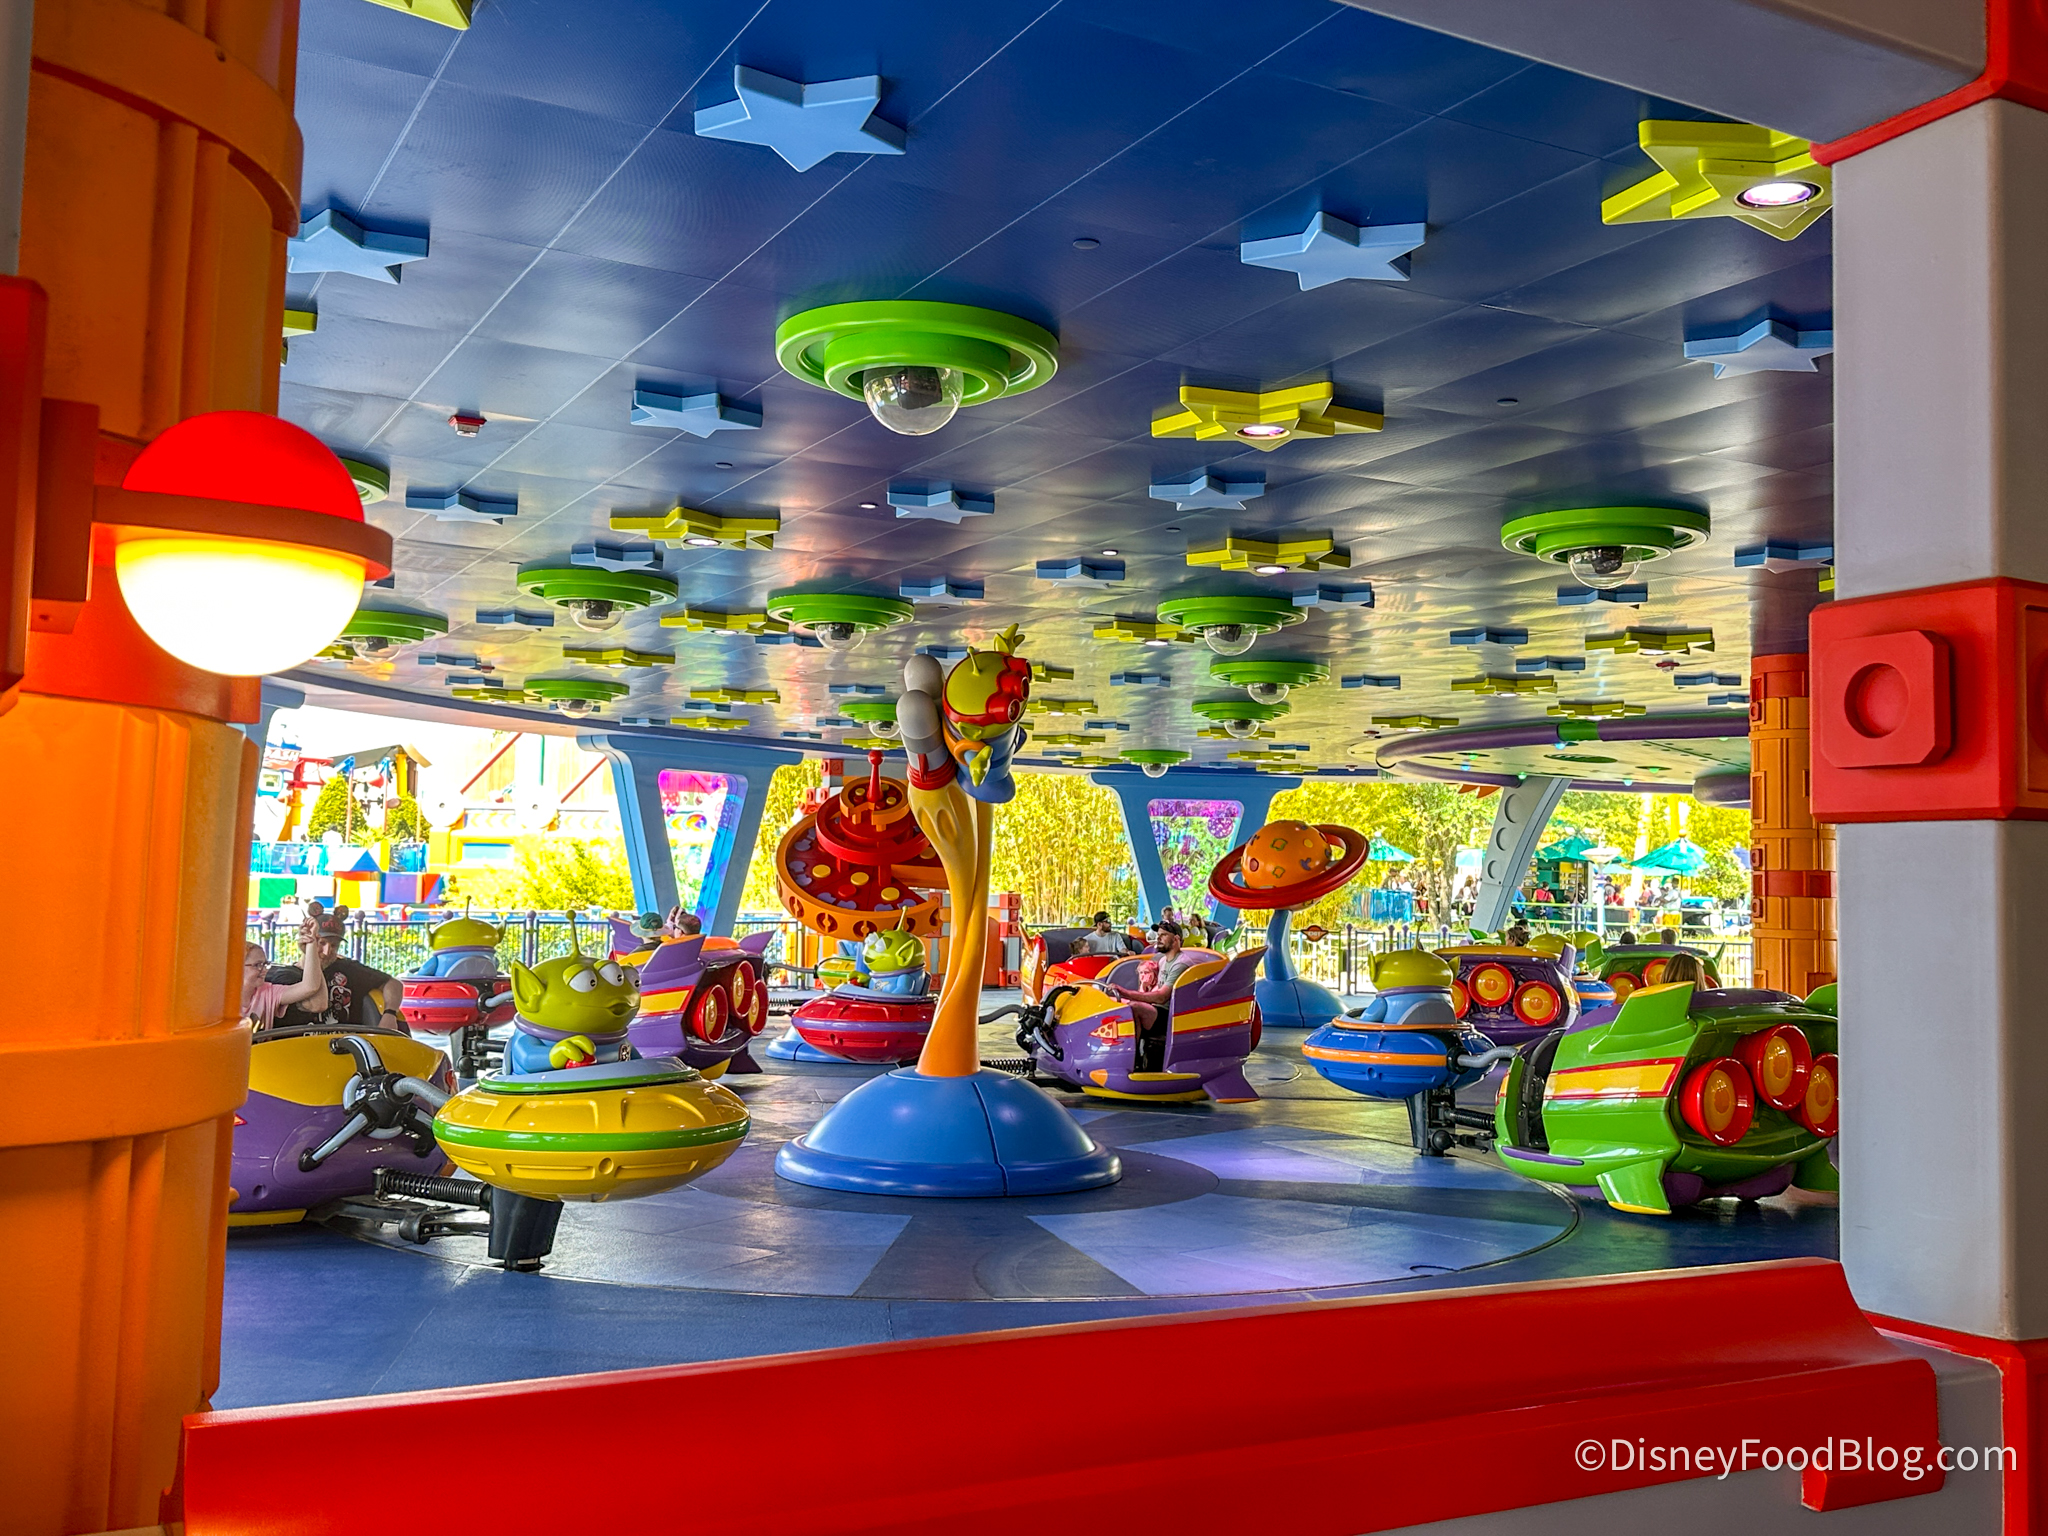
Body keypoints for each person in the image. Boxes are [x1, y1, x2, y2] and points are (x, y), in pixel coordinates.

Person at [268, 903, 405, 1032]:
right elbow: (317, 1004)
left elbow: (393, 984)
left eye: (334, 946)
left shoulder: (349, 969)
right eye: (321, 943)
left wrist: (390, 1014)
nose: (327, 951)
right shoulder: (285, 977)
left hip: (345, 1045)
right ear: (306, 942)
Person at [1100, 920, 1190, 1036]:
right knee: (1112, 1001)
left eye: (1164, 935)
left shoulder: (1180, 964)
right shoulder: (1163, 960)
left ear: (1176, 939)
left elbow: (1162, 997)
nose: (1158, 938)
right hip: (1157, 1008)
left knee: (1134, 1007)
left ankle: (1134, 1047)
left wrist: (1124, 992)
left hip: (1171, 1014)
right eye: (1158, 935)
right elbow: (1156, 989)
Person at [242, 915, 329, 1031]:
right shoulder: (221, 998)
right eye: (257, 965)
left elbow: (310, 987)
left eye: (265, 964)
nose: (264, 970)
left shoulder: (268, 992)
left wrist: (311, 944)